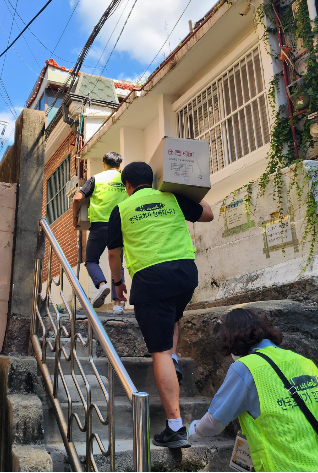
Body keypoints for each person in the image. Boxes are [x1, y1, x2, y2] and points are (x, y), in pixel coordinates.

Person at [107, 161, 214, 448]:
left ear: (127, 186)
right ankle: (175, 362)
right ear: (154, 181)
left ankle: (176, 428)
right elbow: (209, 213)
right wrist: (186, 187)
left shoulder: (122, 210)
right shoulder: (172, 198)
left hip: (151, 280)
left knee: (159, 351)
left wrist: (118, 285)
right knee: (173, 318)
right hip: (184, 276)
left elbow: (114, 255)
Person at [187, 308, 318, 471]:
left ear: (231, 340)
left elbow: (213, 424)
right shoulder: (302, 362)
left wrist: (193, 432)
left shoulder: (245, 368)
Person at [72, 151, 129, 315]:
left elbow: (77, 198)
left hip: (99, 226)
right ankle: (118, 304)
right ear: (119, 166)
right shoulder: (125, 180)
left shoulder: (96, 179)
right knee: (117, 263)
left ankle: (102, 285)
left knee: (91, 260)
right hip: (120, 226)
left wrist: (75, 218)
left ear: (104, 163)